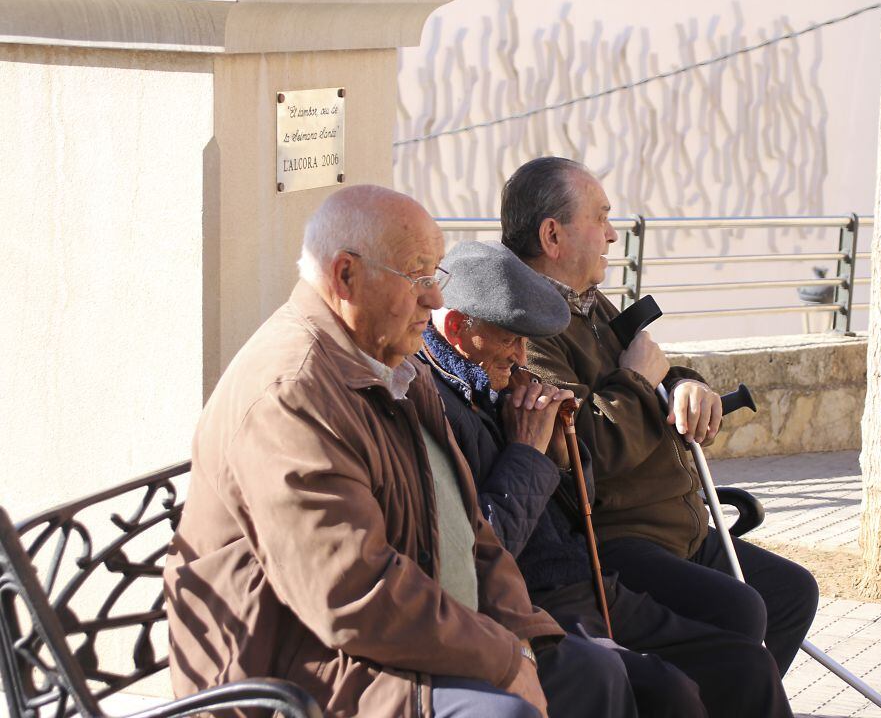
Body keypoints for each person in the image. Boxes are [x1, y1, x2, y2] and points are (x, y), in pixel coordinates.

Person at [165, 185, 577, 718]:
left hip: (406, 639)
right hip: (299, 672)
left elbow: (472, 529)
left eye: (436, 276)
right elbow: (353, 593)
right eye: (417, 276)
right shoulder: (291, 392)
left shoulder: (397, 365)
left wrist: (520, 638)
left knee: (605, 678)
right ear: (345, 276)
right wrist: (502, 656)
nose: (434, 298)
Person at [418, 239, 794, 718]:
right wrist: (528, 454)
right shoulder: (438, 407)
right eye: (510, 339)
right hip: (533, 601)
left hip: (588, 579)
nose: (520, 356)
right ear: (454, 329)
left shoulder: (501, 380)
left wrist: (564, 455)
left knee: (745, 662)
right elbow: (481, 549)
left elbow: (581, 505)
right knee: (667, 689)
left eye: (525, 340)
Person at [500, 156, 820, 679]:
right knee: (740, 610)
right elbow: (584, 450)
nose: (611, 236)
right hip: (618, 537)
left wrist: (685, 383)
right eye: (600, 218)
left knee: (789, 592)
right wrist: (641, 381)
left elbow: (646, 370)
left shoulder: (587, 303)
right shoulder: (529, 328)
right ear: (552, 235)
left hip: (678, 525)